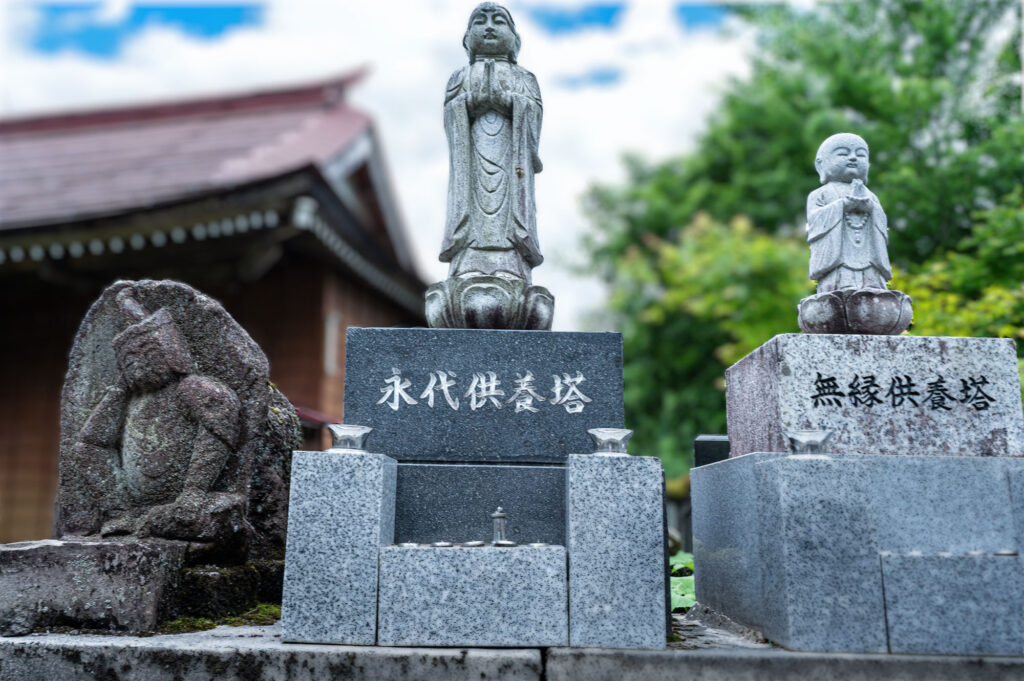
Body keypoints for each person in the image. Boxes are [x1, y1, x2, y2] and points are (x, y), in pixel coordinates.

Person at [439, 2, 544, 283]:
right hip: (471, 165)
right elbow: (451, 119)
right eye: (479, 21)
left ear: (514, 39)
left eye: (499, 21)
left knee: (510, 210)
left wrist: (509, 102)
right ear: (467, 39)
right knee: (472, 208)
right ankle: (467, 263)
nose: (488, 27)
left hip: (513, 167)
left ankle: (512, 265)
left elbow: (534, 119)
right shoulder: (459, 78)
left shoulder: (524, 78)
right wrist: (469, 103)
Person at [807, 133, 892, 292]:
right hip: (838, 261)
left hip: (869, 259)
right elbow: (814, 220)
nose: (853, 158)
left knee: (876, 291)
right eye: (843, 153)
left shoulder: (870, 195)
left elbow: (881, 221)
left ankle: (873, 285)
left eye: (860, 155)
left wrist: (871, 208)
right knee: (839, 290)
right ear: (821, 164)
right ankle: (837, 286)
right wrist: (843, 205)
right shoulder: (821, 194)